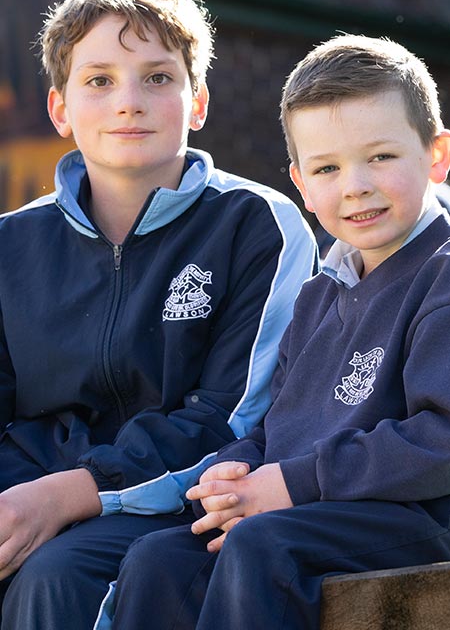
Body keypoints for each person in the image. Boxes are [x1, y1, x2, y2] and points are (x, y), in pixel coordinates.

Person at [0, 0, 317, 629]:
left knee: (57, 577)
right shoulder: (12, 243)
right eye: (99, 80)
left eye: (157, 78)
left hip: (188, 503)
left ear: (197, 102)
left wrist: (70, 495)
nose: (129, 102)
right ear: (60, 109)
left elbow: (234, 417)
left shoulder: (256, 224)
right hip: (31, 497)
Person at [105, 34, 450, 630]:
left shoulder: (440, 272)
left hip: (416, 517)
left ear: (437, 155)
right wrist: (236, 470)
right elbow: (277, 427)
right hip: (312, 511)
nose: (355, 185)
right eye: (327, 168)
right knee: (160, 557)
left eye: (382, 157)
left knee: (261, 546)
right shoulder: (320, 294)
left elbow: (440, 440)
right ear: (300, 181)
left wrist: (295, 482)